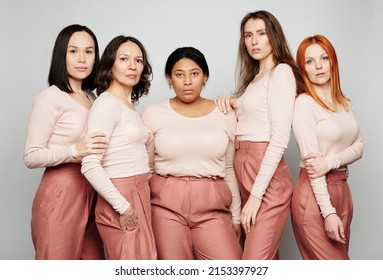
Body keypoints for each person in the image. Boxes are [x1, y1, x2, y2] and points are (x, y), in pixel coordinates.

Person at [214, 10, 304, 259]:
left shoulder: (281, 72)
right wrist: (229, 100)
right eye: (248, 35)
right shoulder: (253, 80)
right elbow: (249, 119)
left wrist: (255, 197)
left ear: (273, 36)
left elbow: (279, 138)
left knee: (253, 262)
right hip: (243, 168)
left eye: (261, 34)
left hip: (266, 175)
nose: (254, 41)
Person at [141, 47, 242, 260]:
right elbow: (146, 169)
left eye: (194, 74)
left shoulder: (225, 113)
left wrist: (237, 216)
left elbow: (229, 168)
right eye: (179, 74)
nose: (187, 81)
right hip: (165, 206)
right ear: (169, 78)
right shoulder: (153, 114)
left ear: (205, 76)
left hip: (213, 205)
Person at [23, 24, 107, 260]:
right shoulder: (51, 97)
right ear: (62, 55)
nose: (82, 59)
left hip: (93, 192)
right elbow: (31, 156)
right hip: (61, 193)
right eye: (73, 51)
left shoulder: (93, 98)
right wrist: (74, 150)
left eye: (89, 52)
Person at [81, 35, 157, 260]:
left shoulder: (127, 105)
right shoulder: (106, 104)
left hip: (138, 192)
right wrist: (124, 207)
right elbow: (89, 165)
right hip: (121, 196)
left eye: (139, 60)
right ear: (110, 64)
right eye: (124, 59)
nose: (133, 66)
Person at [291, 34, 364, 260]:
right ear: (303, 67)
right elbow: (314, 168)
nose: (319, 66)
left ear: (333, 61)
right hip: (315, 196)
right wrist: (328, 212)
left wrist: (330, 162)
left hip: (343, 190)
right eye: (310, 61)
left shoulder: (343, 102)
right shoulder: (304, 104)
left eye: (324, 58)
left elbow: (360, 145)